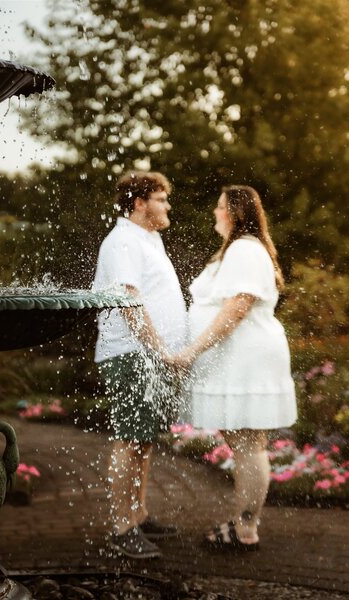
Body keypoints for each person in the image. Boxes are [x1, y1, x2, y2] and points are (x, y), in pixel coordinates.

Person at [170, 184, 297, 551]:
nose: (214, 212)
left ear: (234, 213)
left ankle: (245, 530)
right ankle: (244, 523)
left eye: (219, 206)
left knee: (247, 443)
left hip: (247, 359)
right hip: (241, 358)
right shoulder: (239, 249)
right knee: (244, 441)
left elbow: (238, 306)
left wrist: (193, 350)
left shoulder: (243, 249)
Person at [93, 171, 187, 559]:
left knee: (143, 441)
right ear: (138, 203)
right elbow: (130, 302)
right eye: (161, 199)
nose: (167, 206)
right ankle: (121, 527)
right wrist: (160, 349)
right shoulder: (123, 242)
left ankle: (139, 513)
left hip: (150, 356)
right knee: (129, 441)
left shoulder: (148, 238)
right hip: (131, 354)